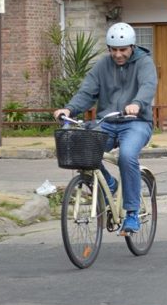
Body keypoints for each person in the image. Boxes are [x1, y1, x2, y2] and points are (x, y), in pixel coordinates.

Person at [54, 22, 157, 235]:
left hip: (136, 122)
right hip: (108, 122)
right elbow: (87, 92)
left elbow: (148, 86)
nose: (118, 54)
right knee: (84, 150)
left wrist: (137, 104)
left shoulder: (144, 63)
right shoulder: (102, 65)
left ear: (132, 47)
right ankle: (109, 184)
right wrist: (69, 109)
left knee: (127, 156)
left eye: (123, 50)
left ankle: (131, 213)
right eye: (113, 50)